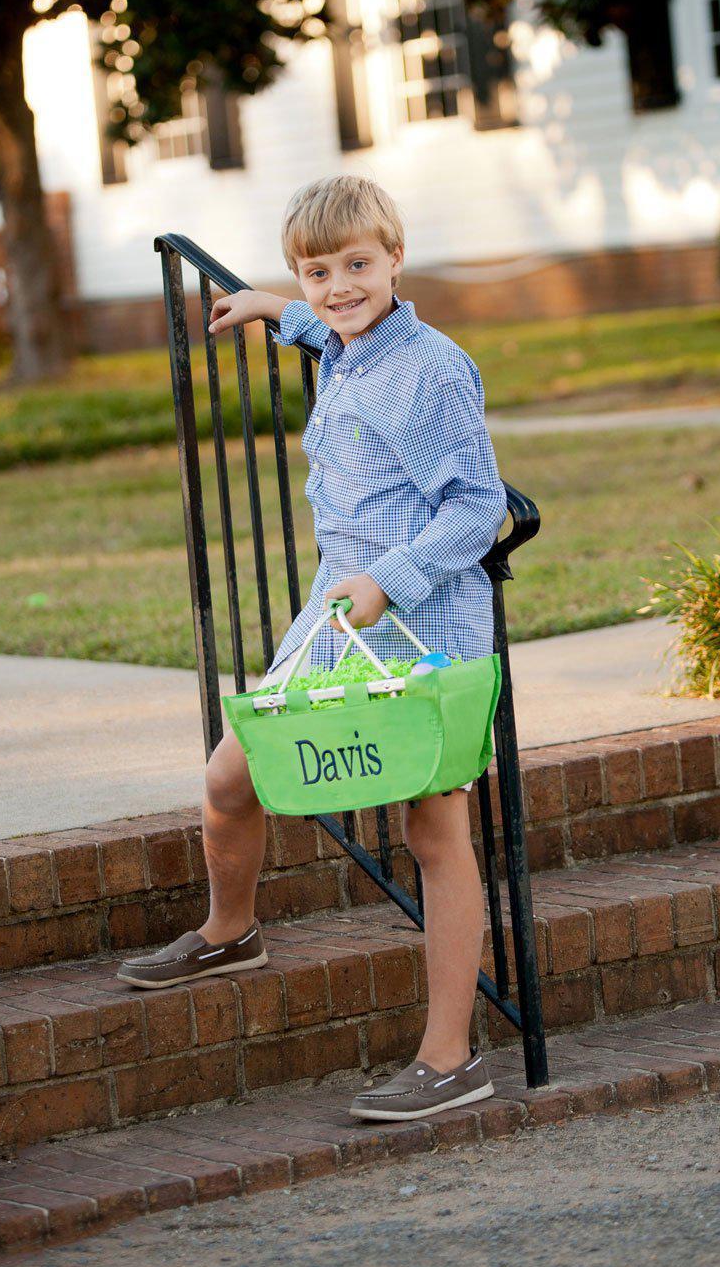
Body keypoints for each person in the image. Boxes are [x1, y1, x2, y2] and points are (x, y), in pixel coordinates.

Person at [117, 174, 507, 1122]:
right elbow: (331, 324)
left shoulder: (433, 366)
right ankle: (231, 927)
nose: (339, 287)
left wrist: (391, 582)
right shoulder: (343, 341)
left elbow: (481, 507)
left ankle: (451, 1058)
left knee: (433, 831)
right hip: (335, 617)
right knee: (228, 778)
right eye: (317, 271)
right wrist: (274, 309)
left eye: (358, 266)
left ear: (396, 258)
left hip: (422, 618)